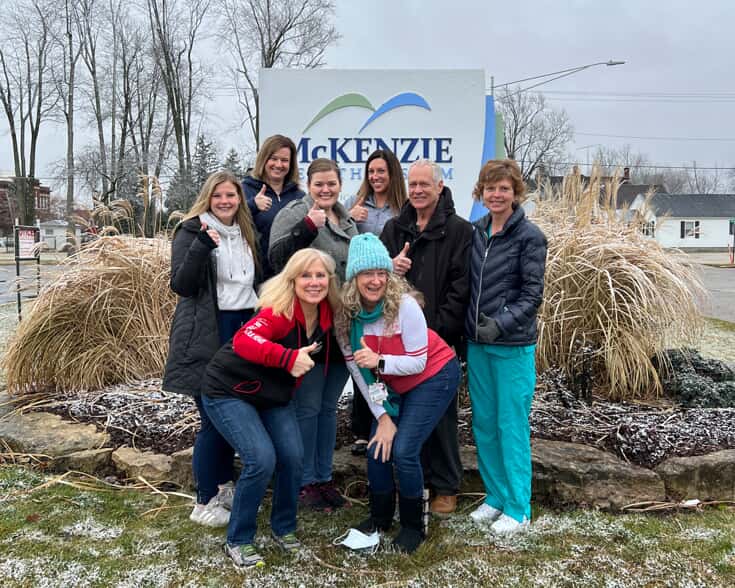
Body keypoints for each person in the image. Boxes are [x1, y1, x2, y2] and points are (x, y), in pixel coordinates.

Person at [200, 248, 341, 568]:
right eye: (306, 275)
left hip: (271, 395)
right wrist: (288, 358)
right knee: (261, 459)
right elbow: (244, 342)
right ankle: (238, 539)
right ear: (292, 279)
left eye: (320, 275)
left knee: (293, 456)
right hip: (229, 391)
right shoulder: (278, 312)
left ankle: (284, 527)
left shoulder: (325, 312)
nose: (314, 282)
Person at [337, 233, 461, 553]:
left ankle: (412, 525)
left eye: (382, 272)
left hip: (434, 375)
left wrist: (379, 360)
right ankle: (379, 518)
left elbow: (418, 361)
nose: (376, 280)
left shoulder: (403, 305)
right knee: (379, 445)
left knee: (405, 450)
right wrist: (382, 417)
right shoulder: (347, 320)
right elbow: (361, 375)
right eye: (368, 273)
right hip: (395, 383)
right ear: (354, 278)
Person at [162, 170, 260, 528]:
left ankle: (223, 486)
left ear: (239, 199)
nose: (224, 202)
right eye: (218, 196)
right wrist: (204, 245)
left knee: (232, 415)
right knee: (212, 419)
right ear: (208, 198)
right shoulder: (191, 230)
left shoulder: (248, 232)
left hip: (243, 329)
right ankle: (203, 499)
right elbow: (182, 285)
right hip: (209, 331)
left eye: (231, 196)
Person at [379, 158, 472, 516]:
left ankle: (446, 486)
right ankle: (412, 484)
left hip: (438, 342)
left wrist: (437, 336)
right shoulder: (394, 229)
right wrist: (391, 266)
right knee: (404, 414)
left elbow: (460, 291)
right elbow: (373, 280)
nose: (417, 190)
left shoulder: (460, 232)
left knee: (441, 415)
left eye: (424, 185)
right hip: (395, 342)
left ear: (440, 187)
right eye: (412, 184)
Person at [464, 159, 547, 535]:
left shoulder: (529, 237)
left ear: (515, 193)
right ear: (480, 192)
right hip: (478, 345)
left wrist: (501, 323)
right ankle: (495, 496)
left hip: (512, 346)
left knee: (510, 425)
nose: (496, 195)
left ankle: (518, 506)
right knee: (484, 423)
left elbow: (532, 295)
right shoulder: (477, 232)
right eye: (490, 188)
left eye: (503, 189)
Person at [268, 158, 356, 509]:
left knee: (327, 408)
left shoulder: (348, 219)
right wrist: (307, 226)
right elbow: (276, 259)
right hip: (307, 326)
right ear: (309, 184)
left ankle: (323, 477)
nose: (325, 189)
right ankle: (303, 481)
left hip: (342, 327)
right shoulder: (295, 213)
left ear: (339, 184)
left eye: (331, 183)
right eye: (319, 184)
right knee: (307, 407)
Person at [343, 149, 408, 456]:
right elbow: (343, 240)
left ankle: (391, 417)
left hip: (390, 293)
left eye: (381, 171)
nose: (376, 177)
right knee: (361, 357)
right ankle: (362, 428)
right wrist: (349, 218)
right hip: (362, 295)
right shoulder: (354, 206)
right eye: (371, 172)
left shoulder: (402, 210)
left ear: (392, 174)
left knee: (385, 358)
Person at [243, 134, 305, 280]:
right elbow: (229, 220)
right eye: (273, 158)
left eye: (284, 160)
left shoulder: (299, 196)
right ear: (263, 159)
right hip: (258, 279)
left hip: (292, 277)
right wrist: (252, 205)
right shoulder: (245, 190)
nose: (278, 165)